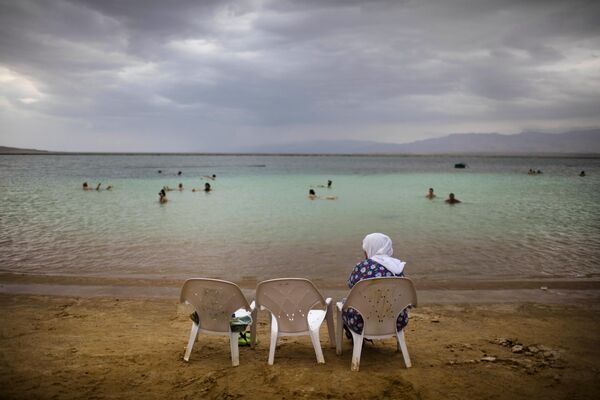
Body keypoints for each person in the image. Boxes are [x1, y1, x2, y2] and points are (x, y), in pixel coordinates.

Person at [342, 233, 409, 335]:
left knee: (344, 303)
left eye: (365, 249)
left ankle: (354, 337)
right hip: (397, 321)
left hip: (361, 322)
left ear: (371, 248)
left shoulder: (362, 267)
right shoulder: (397, 267)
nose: (364, 252)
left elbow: (351, 285)